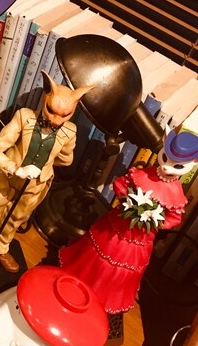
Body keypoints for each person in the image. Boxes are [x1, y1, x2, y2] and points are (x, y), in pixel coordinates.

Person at [0, 71, 94, 272]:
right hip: (8, 177)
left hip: (35, 186)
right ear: (45, 96)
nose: (56, 120)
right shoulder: (24, 117)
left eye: (64, 115)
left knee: (16, 218)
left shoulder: (70, 132)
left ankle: (1, 246)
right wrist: (14, 167)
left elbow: (66, 160)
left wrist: (46, 166)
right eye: (51, 111)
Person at [59, 128, 198, 313]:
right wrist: (127, 200)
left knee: (119, 273)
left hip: (139, 239)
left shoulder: (175, 194)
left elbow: (173, 218)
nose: (166, 167)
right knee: (97, 252)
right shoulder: (143, 175)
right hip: (116, 226)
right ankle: (78, 282)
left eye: (177, 166)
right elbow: (120, 184)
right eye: (165, 157)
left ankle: (102, 301)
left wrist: (154, 220)